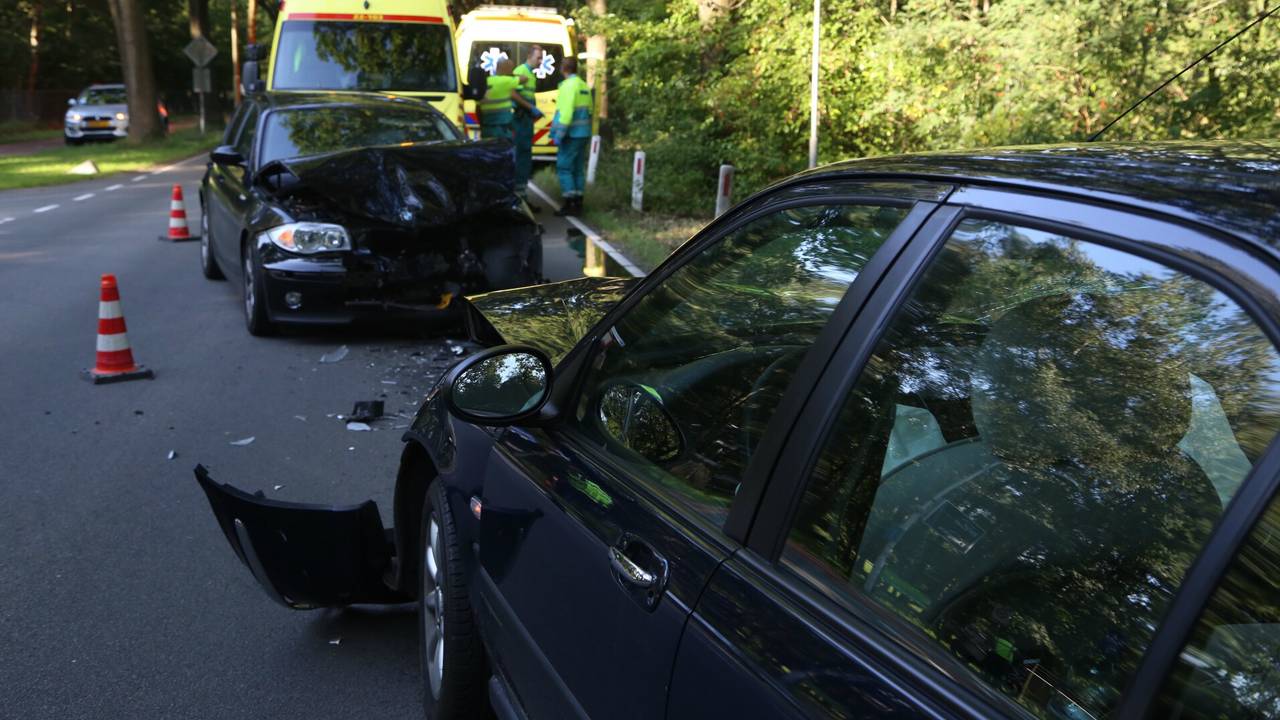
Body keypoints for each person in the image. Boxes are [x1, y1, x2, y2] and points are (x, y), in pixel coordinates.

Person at [550, 57, 592, 216]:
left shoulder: (568, 86)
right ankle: (579, 202)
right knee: (577, 169)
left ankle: (569, 204)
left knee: (564, 167)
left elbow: (566, 114)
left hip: (571, 135)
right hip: (583, 133)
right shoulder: (583, 85)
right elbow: (589, 111)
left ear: (563, 69)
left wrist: (558, 135)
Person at [512, 45, 546, 204]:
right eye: (538, 58)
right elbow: (513, 93)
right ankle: (518, 195)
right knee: (520, 155)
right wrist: (530, 108)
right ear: (530, 56)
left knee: (525, 155)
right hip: (520, 119)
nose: (541, 61)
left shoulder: (531, 75)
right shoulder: (521, 71)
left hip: (526, 120)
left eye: (541, 58)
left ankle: (522, 194)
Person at [479, 58, 539, 141]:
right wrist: (511, 74)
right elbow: (524, 78)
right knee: (504, 151)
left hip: (487, 128)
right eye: (511, 69)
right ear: (506, 69)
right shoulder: (506, 81)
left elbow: (478, 108)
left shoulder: (487, 81)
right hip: (502, 128)